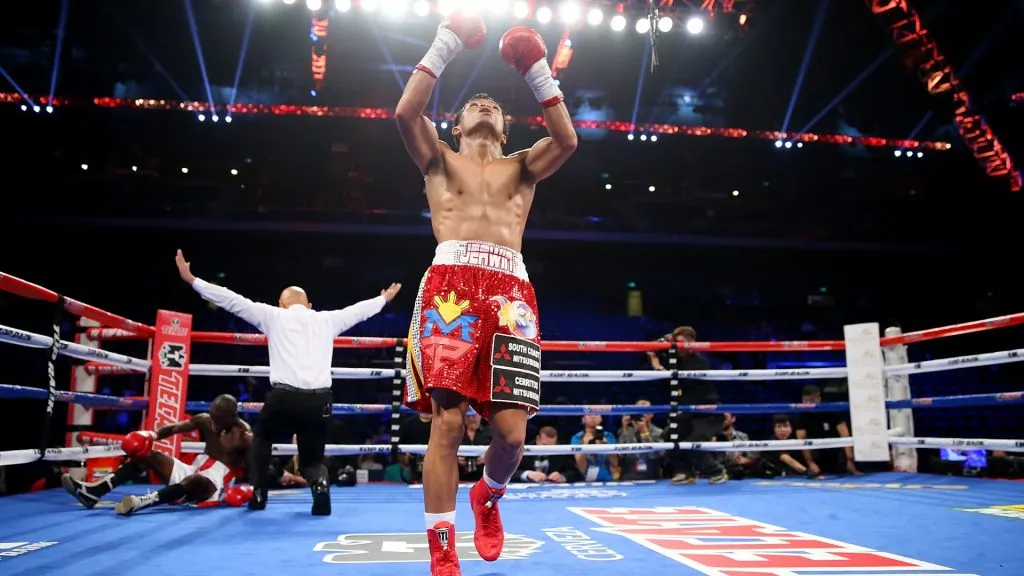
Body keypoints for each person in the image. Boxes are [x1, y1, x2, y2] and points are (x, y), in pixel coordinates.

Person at [394, 12, 577, 575]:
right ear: (455, 124)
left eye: (494, 106)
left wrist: (538, 71)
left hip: (511, 294)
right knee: (447, 423)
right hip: (451, 289)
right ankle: (442, 551)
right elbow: (405, 111)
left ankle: (488, 495)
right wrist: (448, 41)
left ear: (506, 128)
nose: (484, 105)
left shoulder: (522, 165)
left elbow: (568, 139)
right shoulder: (437, 159)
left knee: (511, 435)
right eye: (473, 104)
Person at [174, 249, 401, 515]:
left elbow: (232, 300)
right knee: (312, 457)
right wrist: (383, 299)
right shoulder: (326, 319)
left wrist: (193, 280)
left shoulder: (273, 316)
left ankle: (259, 493)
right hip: (319, 399)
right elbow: (357, 311)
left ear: (281, 304)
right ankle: (320, 486)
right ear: (309, 304)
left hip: (284, 397)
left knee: (260, 438)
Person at [61, 394, 255, 515]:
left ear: (232, 417)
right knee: (146, 454)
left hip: (215, 484)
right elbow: (174, 428)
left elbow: (259, 463)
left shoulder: (243, 436)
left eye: (219, 420)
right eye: (212, 417)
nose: (214, 423)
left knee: (194, 480)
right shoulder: (205, 420)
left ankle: (141, 503)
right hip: (192, 469)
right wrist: (151, 435)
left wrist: (250, 490)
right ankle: (94, 491)